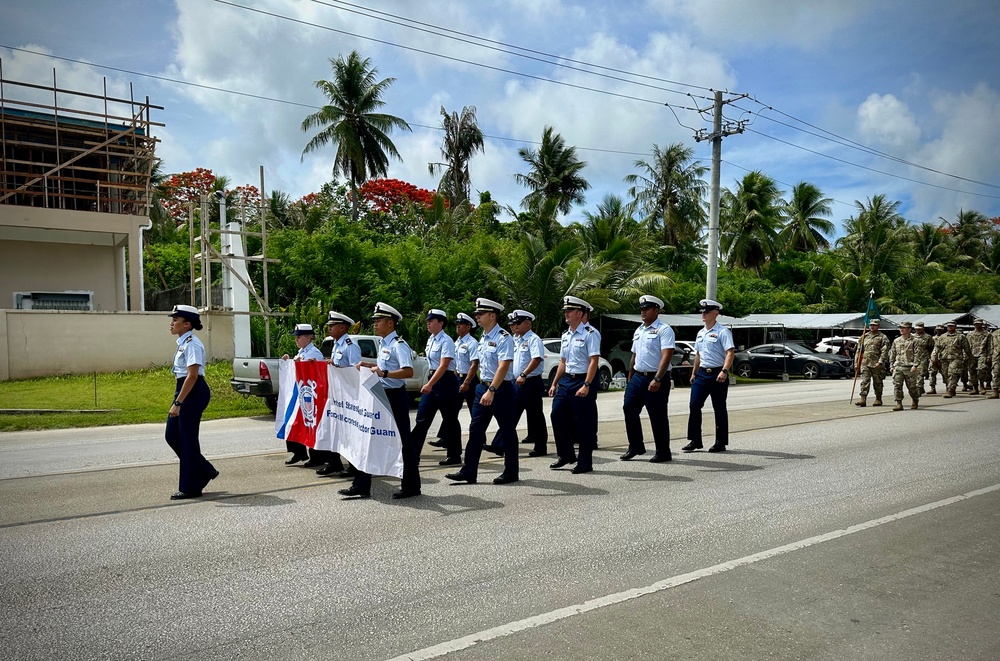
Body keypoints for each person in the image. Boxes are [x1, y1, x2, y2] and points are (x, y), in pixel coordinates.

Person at [339, 302, 419, 500]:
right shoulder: (384, 343)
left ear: (390, 323)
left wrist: (384, 372)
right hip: (381, 394)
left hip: (395, 396)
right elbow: (383, 366)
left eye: (379, 320)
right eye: (374, 320)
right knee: (367, 436)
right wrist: (370, 364)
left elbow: (408, 371)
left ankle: (411, 485)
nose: (375, 324)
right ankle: (361, 484)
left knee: (403, 441)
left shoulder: (398, 344)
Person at [445, 298, 520, 485]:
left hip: (500, 389)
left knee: (507, 431)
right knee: (475, 430)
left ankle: (511, 472)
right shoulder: (484, 337)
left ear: (492, 315)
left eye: (481, 313)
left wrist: (492, 389)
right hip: (482, 388)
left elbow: (503, 366)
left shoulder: (503, 337)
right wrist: (484, 388)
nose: (477, 316)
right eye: (477, 313)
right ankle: (469, 471)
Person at [165, 305, 218, 500]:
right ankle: (204, 469)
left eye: (175, 320)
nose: (171, 323)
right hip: (184, 389)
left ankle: (191, 487)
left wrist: (178, 403)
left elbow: (193, 376)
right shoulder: (183, 342)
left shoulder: (192, 344)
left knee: (187, 440)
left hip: (192, 392)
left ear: (187, 324)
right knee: (172, 436)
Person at [548, 295, 601, 473]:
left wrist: (586, 384)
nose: (566, 314)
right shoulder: (566, 335)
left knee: (582, 422)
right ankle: (566, 454)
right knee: (557, 415)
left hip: (582, 379)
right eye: (566, 311)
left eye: (570, 311)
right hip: (566, 381)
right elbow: (563, 361)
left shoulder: (590, 334)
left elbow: (594, 361)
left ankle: (585, 462)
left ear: (580, 314)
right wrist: (555, 383)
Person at [622, 295, 675, 462]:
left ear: (656, 310)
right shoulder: (639, 330)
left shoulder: (664, 330)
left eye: (647, 309)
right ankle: (636, 446)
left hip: (656, 377)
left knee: (657, 415)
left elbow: (666, 356)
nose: (643, 312)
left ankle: (663, 452)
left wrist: (658, 379)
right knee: (628, 408)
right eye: (642, 309)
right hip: (638, 377)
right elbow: (634, 355)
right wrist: (630, 376)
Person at [489, 309, 547, 457]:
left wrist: (524, 374)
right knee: (510, 414)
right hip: (516, 383)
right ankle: (499, 445)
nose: (513, 327)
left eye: (517, 324)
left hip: (530, 382)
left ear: (527, 323)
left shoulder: (534, 339)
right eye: (512, 324)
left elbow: (537, 359)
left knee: (535, 416)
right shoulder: (514, 339)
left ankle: (540, 447)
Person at [410, 309, 463, 467]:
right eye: (428, 320)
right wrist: (430, 382)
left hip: (445, 381)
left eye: (432, 320)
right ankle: (412, 454)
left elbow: (444, 365)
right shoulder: (431, 339)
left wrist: (430, 384)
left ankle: (454, 454)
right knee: (422, 418)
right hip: (433, 378)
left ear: (441, 323)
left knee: (450, 419)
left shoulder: (446, 341)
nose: (428, 323)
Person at [683, 299, 735, 453]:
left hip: (717, 373)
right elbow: (698, 354)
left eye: (707, 312)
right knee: (694, 405)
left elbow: (730, 352)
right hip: (702, 374)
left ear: (716, 313)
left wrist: (724, 371)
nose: (703, 314)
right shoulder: (700, 333)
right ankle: (695, 440)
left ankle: (720, 442)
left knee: (719, 408)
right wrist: (694, 372)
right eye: (702, 312)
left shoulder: (722, 332)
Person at [316, 312, 361, 477]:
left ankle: (354, 466)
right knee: (330, 429)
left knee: (348, 433)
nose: (329, 328)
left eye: (332, 326)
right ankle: (334, 463)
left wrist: (337, 368)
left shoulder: (350, 346)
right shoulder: (336, 344)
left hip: (347, 395)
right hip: (335, 395)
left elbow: (355, 371)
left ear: (342, 327)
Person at [282, 323, 326, 467]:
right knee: (293, 421)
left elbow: (319, 374)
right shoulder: (302, 351)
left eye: (299, 336)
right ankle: (298, 451)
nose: (296, 339)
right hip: (300, 392)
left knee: (310, 424)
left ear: (308, 337)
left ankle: (316, 456)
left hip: (310, 395)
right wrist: (288, 361)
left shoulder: (314, 353)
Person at [888, 321, 926, 411]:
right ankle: (898, 403)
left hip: (909, 367)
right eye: (900, 328)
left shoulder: (915, 340)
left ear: (909, 329)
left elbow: (918, 354)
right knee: (897, 385)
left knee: (912, 387)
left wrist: (915, 365)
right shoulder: (896, 341)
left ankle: (915, 399)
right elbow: (892, 353)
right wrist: (891, 365)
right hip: (898, 366)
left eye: (904, 328)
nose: (901, 329)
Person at [854, 318, 890, 407]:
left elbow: (885, 351)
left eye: (874, 325)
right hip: (865, 363)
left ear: (878, 326)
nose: (872, 327)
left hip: (876, 363)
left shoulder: (882, 337)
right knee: (865, 381)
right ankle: (863, 399)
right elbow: (859, 351)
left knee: (877, 382)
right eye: (871, 325)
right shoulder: (864, 336)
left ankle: (878, 399)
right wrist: (856, 363)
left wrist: (881, 361)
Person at [931, 321, 968, 398]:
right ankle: (951, 388)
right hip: (944, 358)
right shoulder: (942, 337)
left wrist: (968, 358)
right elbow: (936, 348)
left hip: (956, 358)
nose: (950, 327)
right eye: (948, 326)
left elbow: (967, 349)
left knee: (952, 373)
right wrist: (933, 356)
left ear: (955, 327)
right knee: (945, 375)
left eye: (952, 326)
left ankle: (950, 390)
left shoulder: (961, 336)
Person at [966, 318, 992, 395]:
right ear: (974, 324)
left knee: (981, 370)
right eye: (976, 324)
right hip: (971, 355)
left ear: (982, 324)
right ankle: (975, 388)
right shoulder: (970, 334)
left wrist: (989, 356)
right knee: (972, 372)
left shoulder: (987, 334)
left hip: (982, 354)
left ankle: (982, 386)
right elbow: (966, 346)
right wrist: (965, 356)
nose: (978, 325)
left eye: (979, 324)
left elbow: (990, 346)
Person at [911, 321, 934, 395]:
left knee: (920, 373)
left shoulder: (928, 337)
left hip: (923, 358)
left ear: (923, 328)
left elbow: (932, 347)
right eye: (916, 329)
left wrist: (931, 357)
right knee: (913, 375)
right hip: (913, 358)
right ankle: (920, 387)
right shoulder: (912, 337)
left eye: (919, 329)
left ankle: (919, 388)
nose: (918, 330)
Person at [927, 325, 947, 394]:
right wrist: (931, 358)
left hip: (943, 358)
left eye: (940, 329)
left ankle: (948, 387)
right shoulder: (933, 338)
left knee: (945, 373)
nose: (939, 331)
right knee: (932, 373)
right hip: (934, 358)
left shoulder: (946, 337)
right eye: (937, 329)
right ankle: (932, 388)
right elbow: (929, 348)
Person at [989, 324, 1000, 399]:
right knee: (996, 373)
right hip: (996, 356)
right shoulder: (995, 333)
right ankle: (995, 391)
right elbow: (991, 346)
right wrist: (990, 355)